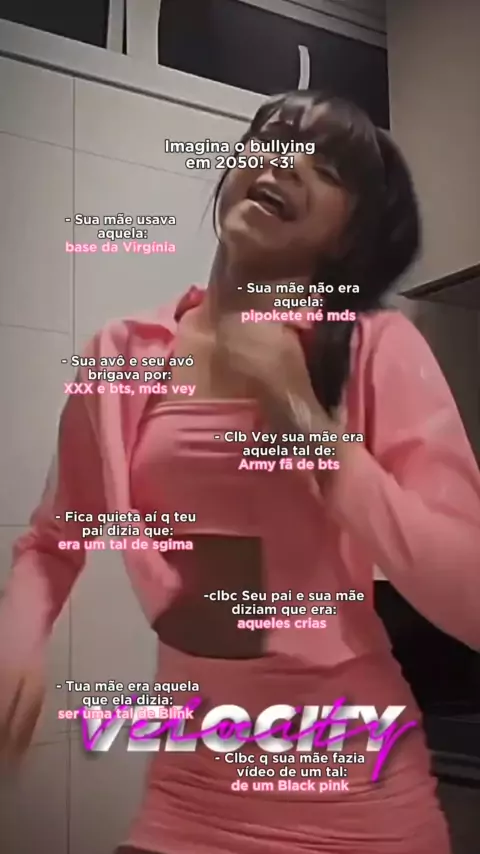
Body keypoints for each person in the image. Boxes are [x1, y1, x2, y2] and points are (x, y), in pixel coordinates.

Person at [1, 91, 479, 854]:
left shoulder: (376, 349)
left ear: (350, 234)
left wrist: (306, 420)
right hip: (188, 802)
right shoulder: (122, 356)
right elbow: (54, 541)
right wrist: (18, 639)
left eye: (328, 168)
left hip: (362, 808)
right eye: (273, 135)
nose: (286, 161)